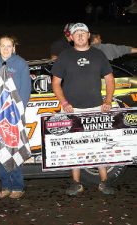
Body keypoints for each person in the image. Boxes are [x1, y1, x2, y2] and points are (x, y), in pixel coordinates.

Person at [51, 23, 116, 196]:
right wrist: (64, 103)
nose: (79, 36)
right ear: (71, 37)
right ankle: (75, 183)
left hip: (95, 108)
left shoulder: (98, 55)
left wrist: (108, 100)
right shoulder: (64, 56)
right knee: (74, 147)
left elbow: (110, 79)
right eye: (76, 33)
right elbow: (55, 83)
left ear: (88, 36)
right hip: (72, 110)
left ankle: (104, 181)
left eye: (83, 33)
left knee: (99, 145)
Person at [0, 35, 31, 199]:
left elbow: (26, 90)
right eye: (3, 46)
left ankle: (18, 186)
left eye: (9, 46)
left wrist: (19, 112)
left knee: (15, 151)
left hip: (14, 115)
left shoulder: (20, 64)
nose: (6, 49)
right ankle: (5, 185)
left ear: (14, 48)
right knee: (1, 153)